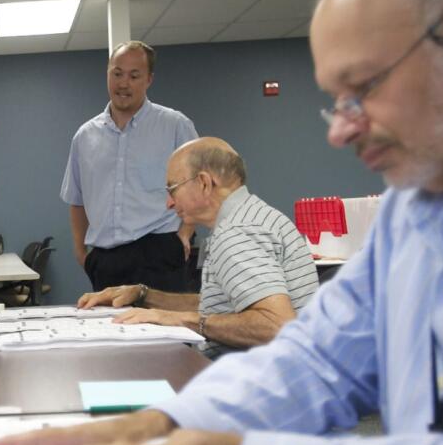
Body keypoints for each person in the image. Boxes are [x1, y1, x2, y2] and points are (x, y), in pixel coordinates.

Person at [0, 0, 443, 445]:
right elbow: (322, 360)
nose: (340, 131)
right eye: (335, 100)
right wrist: (174, 421)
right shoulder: (412, 212)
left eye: (364, 87)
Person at [78, 137, 318, 357]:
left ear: (203, 183)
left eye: (173, 189)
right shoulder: (255, 216)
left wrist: (181, 320)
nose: (169, 203)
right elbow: (222, 307)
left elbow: (276, 326)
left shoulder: (237, 233)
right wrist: (144, 295)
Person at [63, 41, 199, 293]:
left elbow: (199, 186)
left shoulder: (175, 125)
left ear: (149, 80)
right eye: (117, 74)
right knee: (108, 331)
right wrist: (82, 253)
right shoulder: (85, 136)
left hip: (160, 253)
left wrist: (184, 234)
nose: (123, 83)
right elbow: (76, 199)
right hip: (105, 260)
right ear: (107, 74)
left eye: (134, 76)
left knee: (163, 332)